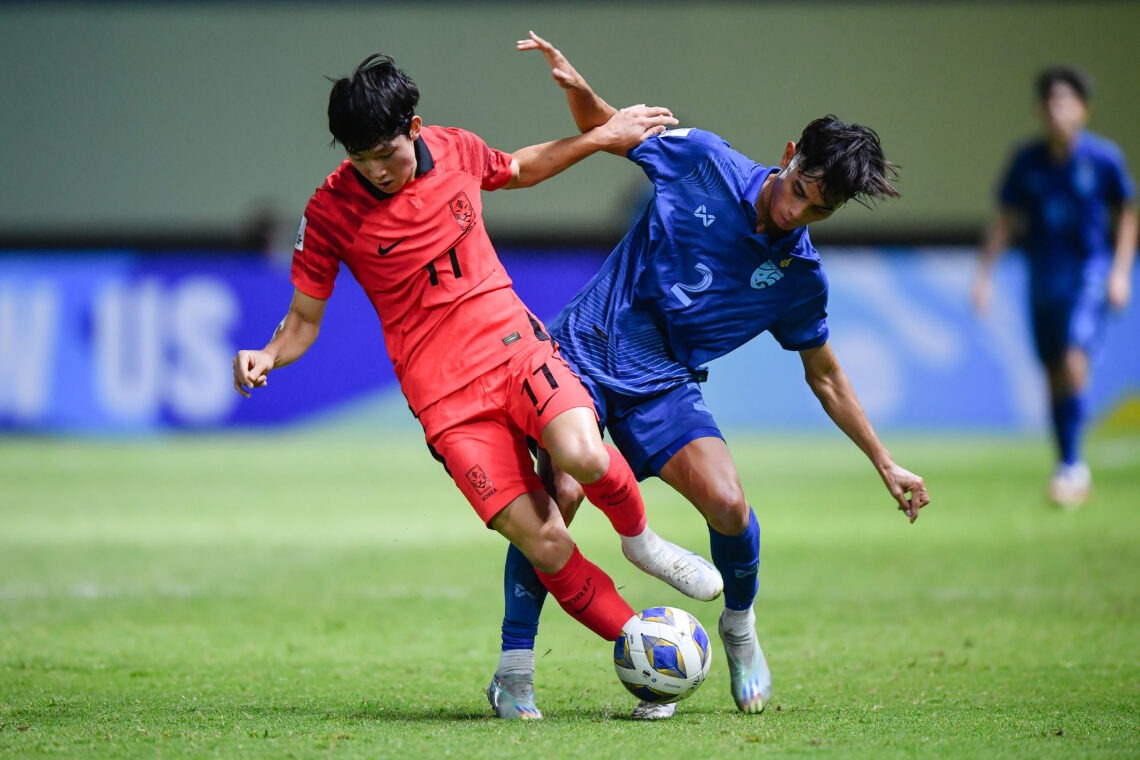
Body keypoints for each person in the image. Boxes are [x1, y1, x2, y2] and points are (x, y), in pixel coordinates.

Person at [231, 51, 725, 719]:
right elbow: (301, 319)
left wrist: (602, 137)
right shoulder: (329, 212)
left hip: (516, 350)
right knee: (545, 540)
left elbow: (518, 168)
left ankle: (643, 543)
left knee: (581, 454)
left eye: (386, 152)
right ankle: (640, 646)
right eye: (360, 157)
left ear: (415, 127)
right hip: (447, 403)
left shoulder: (454, 150)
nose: (376, 169)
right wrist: (267, 354)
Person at [486, 32, 932, 721]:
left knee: (728, 504)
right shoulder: (703, 159)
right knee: (560, 498)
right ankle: (515, 669)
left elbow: (828, 377)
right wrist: (578, 88)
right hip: (581, 353)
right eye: (800, 191)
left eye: (819, 211)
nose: (797, 214)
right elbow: (608, 129)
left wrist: (884, 461)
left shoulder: (799, 277)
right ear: (789, 156)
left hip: (663, 382)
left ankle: (740, 630)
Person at [973, 65, 1137, 509]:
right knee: (1052, 371)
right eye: (1049, 101)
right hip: (1042, 276)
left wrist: (1121, 271)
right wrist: (984, 275)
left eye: (1065, 101)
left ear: (1082, 109)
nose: (1056, 109)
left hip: (1089, 273)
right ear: (1038, 110)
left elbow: (1126, 214)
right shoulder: (1026, 161)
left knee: (1072, 356)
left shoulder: (1103, 160)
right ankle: (1068, 462)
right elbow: (1005, 221)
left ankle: (1071, 465)